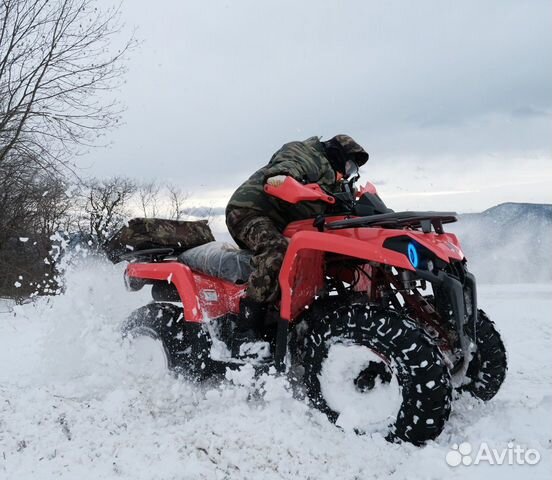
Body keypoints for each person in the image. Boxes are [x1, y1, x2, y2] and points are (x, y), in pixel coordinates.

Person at [226, 134, 369, 355]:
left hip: (284, 220)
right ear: (337, 154)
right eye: (349, 166)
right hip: (249, 211)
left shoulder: (333, 180)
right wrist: (284, 178)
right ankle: (246, 328)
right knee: (276, 251)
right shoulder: (306, 154)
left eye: (353, 171)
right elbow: (285, 167)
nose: (348, 174)